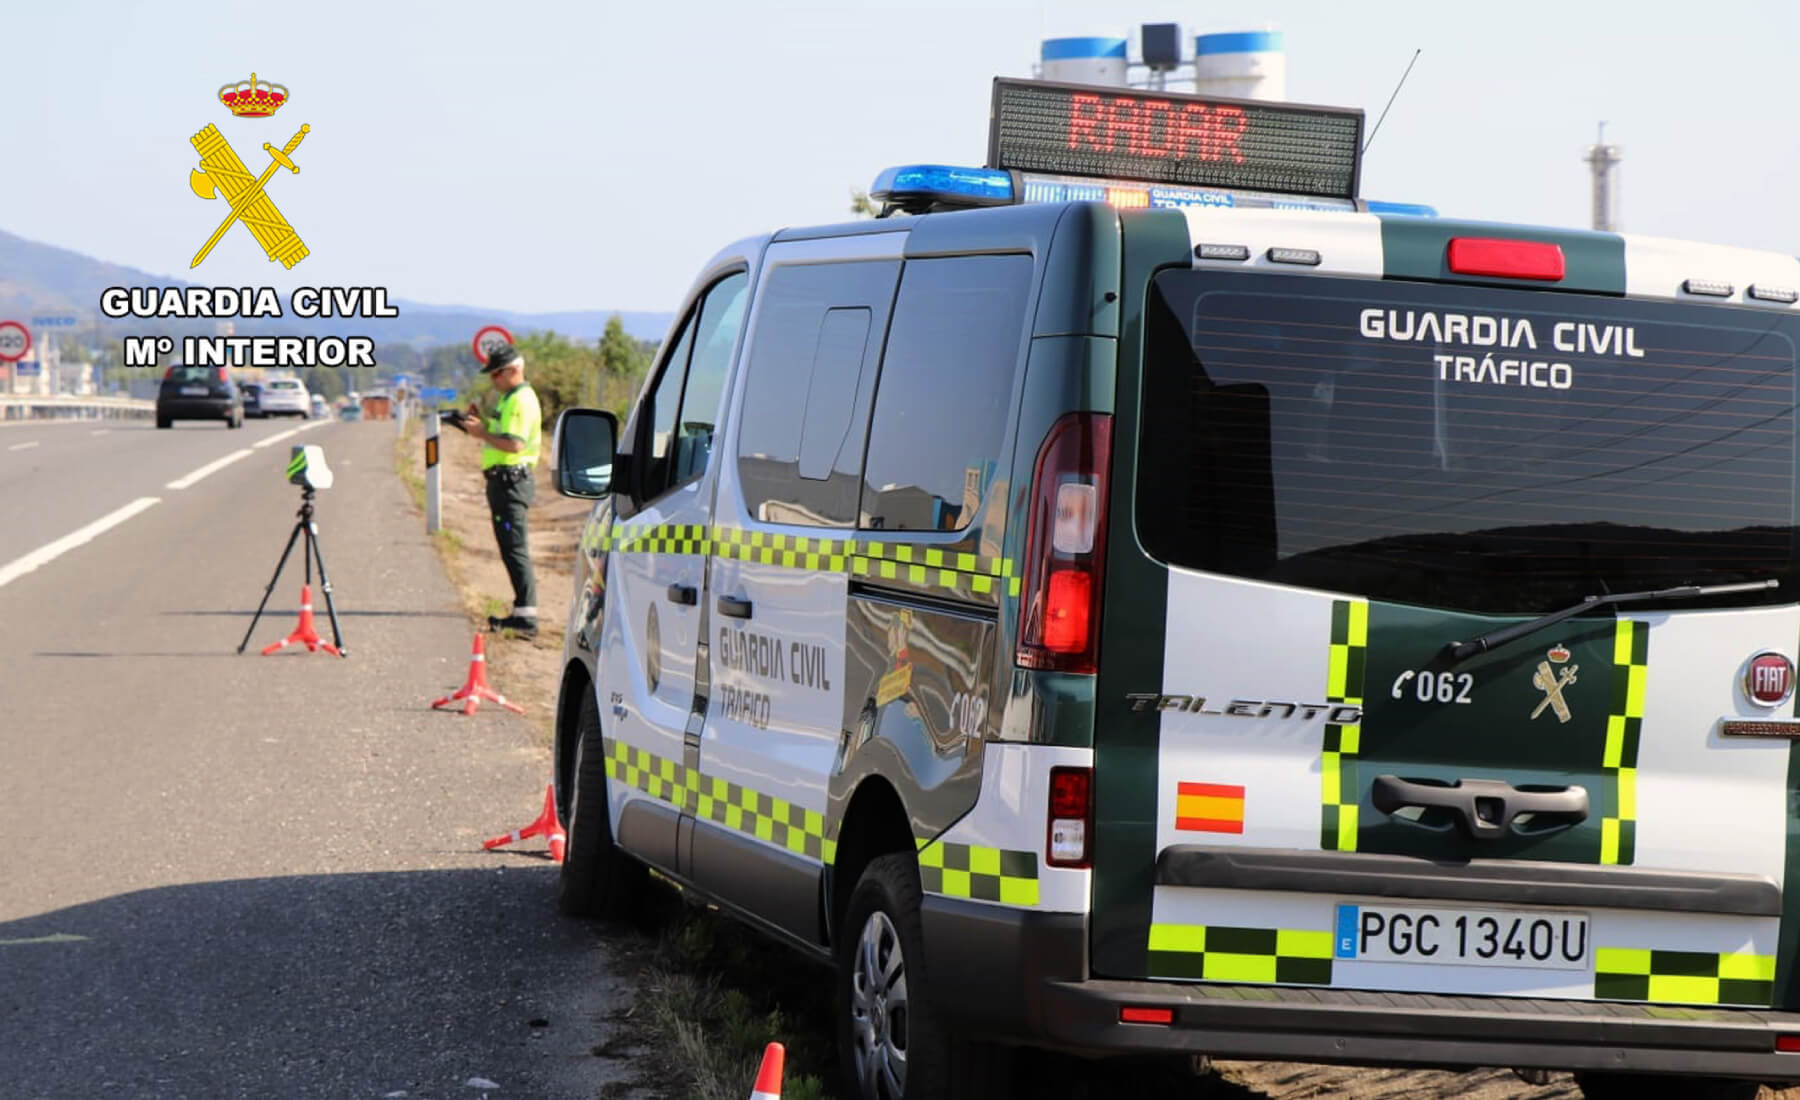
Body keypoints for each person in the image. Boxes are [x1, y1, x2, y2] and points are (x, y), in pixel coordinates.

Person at [460, 342, 542, 639]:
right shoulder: (510, 399)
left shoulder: (519, 400)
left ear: (513, 370)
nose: (493, 380)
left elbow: (514, 444)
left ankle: (527, 618)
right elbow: (502, 434)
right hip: (505, 482)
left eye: (496, 374)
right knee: (510, 548)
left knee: (515, 548)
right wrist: (480, 425)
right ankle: (522, 611)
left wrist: (482, 433)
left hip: (511, 483)